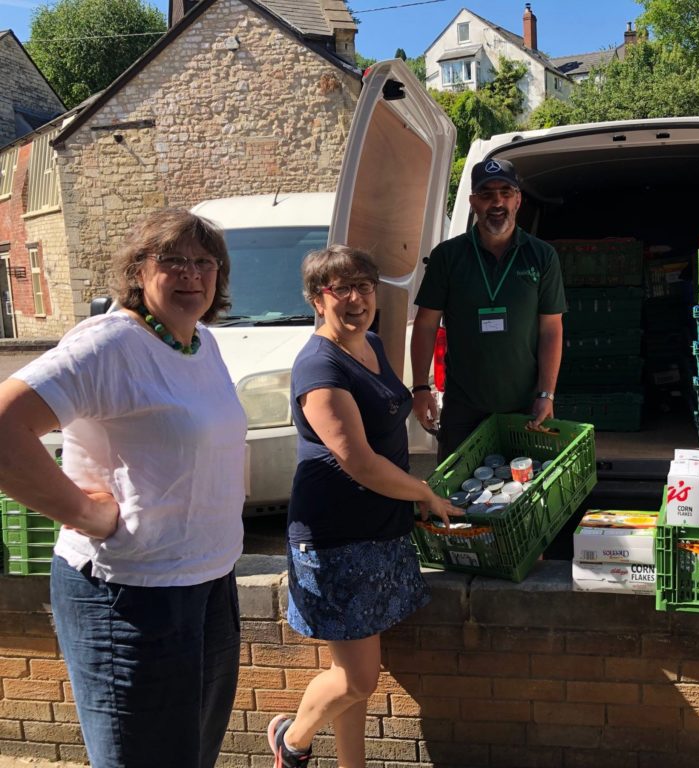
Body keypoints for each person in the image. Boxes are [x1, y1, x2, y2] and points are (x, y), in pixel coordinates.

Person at [0, 209, 246, 768]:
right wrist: (84, 513)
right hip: (132, 593)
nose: (191, 274)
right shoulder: (110, 345)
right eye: (173, 260)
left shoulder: (202, 343)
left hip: (209, 581)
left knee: (193, 754)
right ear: (138, 270)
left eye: (205, 262)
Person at [266, 245, 461, 768]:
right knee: (357, 678)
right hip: (337, 539)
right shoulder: (319, 366)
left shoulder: (369, 343)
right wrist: (423, 492)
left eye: (365, 287)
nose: (356, 299)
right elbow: (360, 462)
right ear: (317, 299)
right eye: (341, 289)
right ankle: (291, 740)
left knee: (349, 675)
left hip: (380, 530)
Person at [411, 158, 567, 460]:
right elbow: (426, 324)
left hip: (524, 404)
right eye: (486, 194)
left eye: (505, 193)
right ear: (473, 202)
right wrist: (420, 387)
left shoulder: (542, 256)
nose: (497, 202)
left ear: (518, 200)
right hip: (463, 406)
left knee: (524, 483)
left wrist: (546, 394)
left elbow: (551, 329)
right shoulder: (447, 256)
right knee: (457, 483)